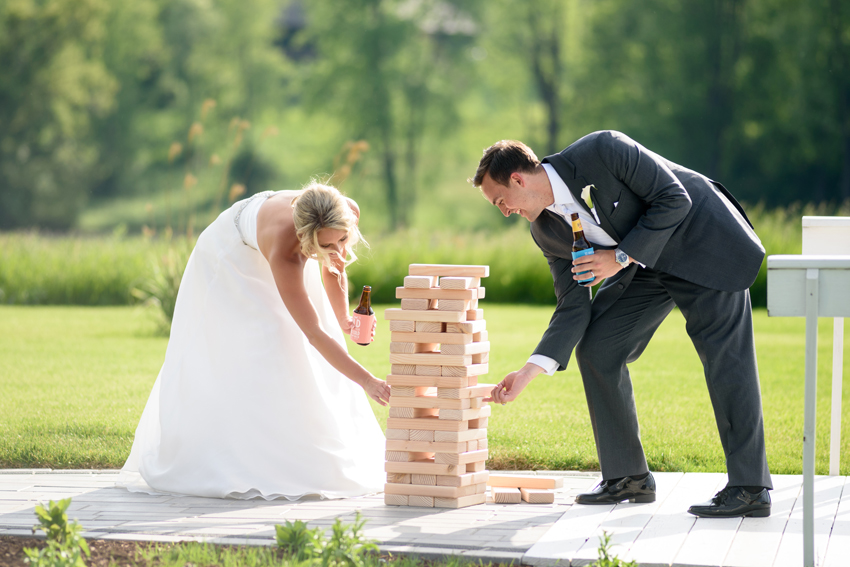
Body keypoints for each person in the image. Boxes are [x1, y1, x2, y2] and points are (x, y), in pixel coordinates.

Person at [471, 131, 773, 518]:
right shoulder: (546, 231)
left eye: (500, 200)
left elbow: (674, 198)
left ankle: (749, 488)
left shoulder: (603, 150)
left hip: (702, 243)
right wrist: (530, 370)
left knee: (725, 359)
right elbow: (572, 307)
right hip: (646, 266)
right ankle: (628, 476)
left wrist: (621, 256)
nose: (503, 211)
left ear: (518, 179)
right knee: (599, 349)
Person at [119, 182, 390, 500]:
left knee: (314, 334)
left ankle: (309, 446)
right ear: (306, 239)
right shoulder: (285, 250)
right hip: (231, 256)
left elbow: (335, 264)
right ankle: (240, 455)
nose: (340, 248)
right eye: (326, 244)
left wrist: (344, 319)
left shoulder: (345, 210)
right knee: (271, 342)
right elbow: (314, 334)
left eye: (342, 239)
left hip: (278, 236)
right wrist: (367, 382)